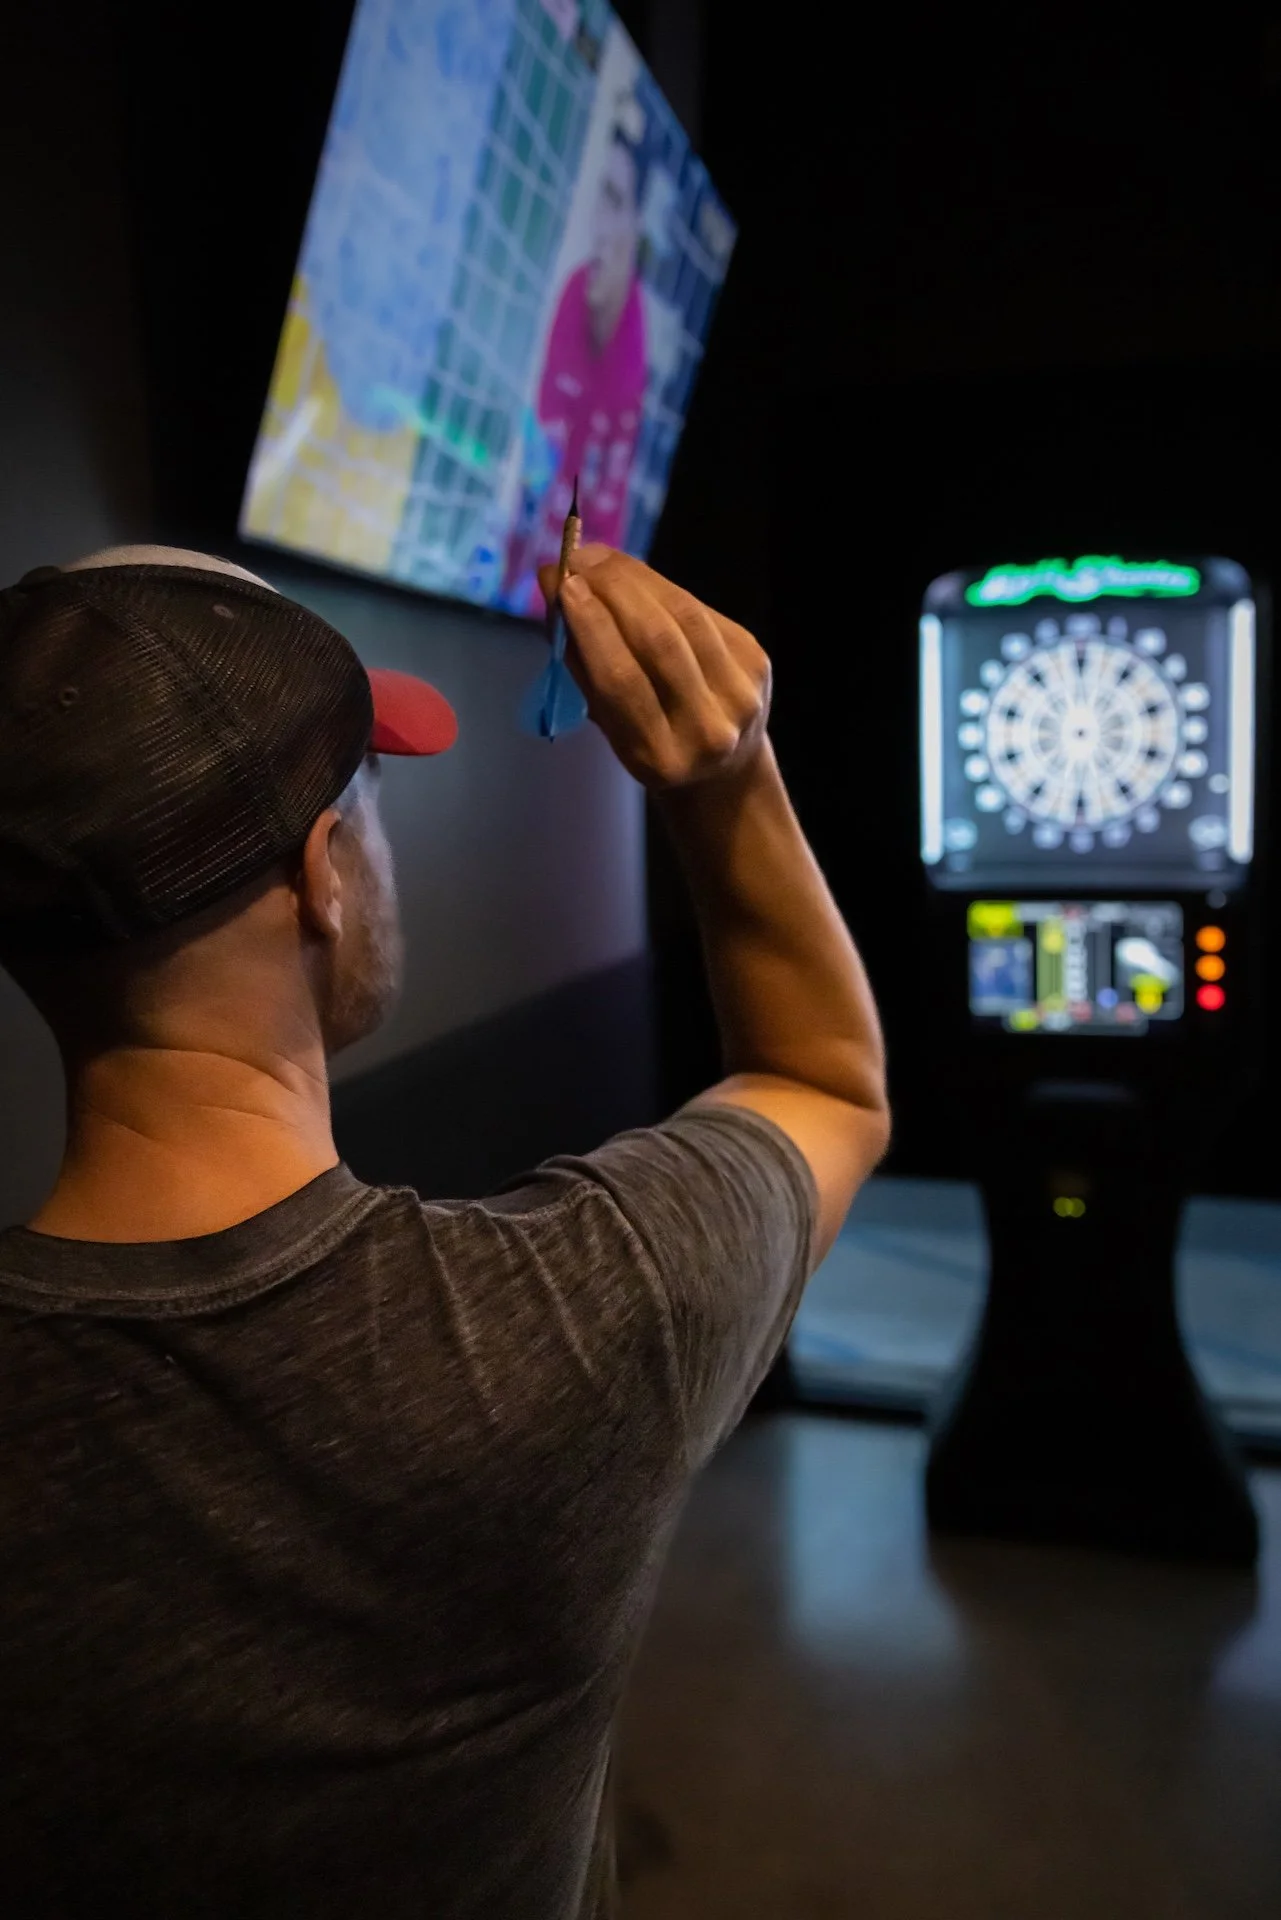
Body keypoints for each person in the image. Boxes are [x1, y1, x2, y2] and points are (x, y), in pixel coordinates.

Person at [0, 540, 889, 1918]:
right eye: (371, 796)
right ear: (325, 874)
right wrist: (729, 778)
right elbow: (827, 1080)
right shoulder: (570, 1329)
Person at [500, 127, 649, 612]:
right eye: (598, 198)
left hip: (580, 596)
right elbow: (541, 455)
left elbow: (603, 506)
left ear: (634, 222)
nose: (600, 223)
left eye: (614, 199)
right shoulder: (574, 291)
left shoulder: (633, 335)